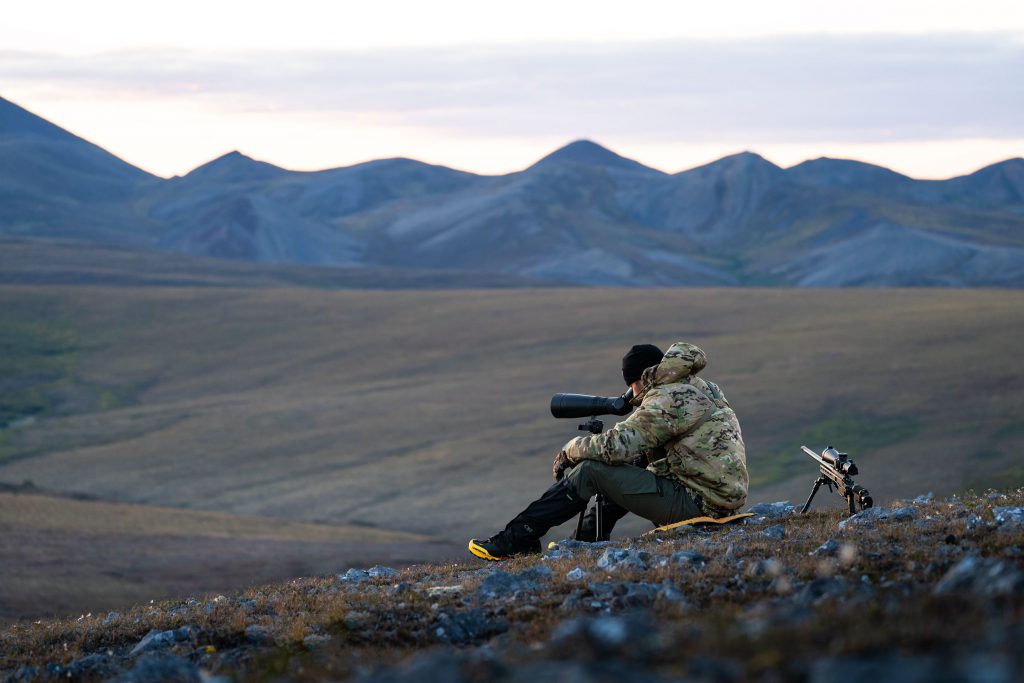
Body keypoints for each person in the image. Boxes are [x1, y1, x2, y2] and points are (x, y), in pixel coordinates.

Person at [468, 341, 748, 560]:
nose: (633, 395)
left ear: (638, 379)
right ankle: (585, 543)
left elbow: (616, 446)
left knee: (591, 470)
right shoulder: (699, 387)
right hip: (719, 499)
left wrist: (571, 449)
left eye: (631, 386)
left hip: (699, 506)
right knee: (632, 465)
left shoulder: (666, 399)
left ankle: (516, 540)